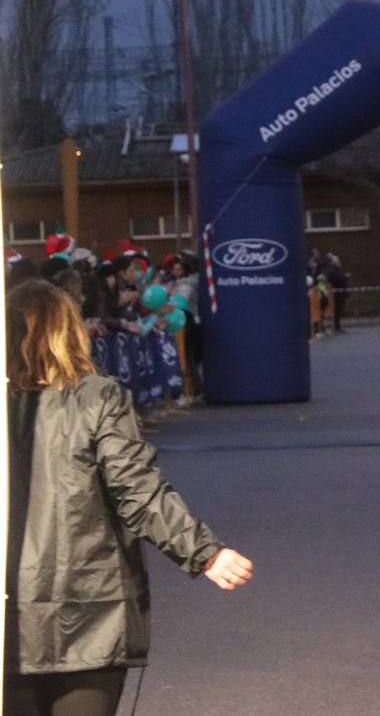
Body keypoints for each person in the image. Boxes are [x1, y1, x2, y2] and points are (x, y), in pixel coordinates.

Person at [5, 279, 253, 716]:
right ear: (70, 330)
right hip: (90, 602)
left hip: (9, 608)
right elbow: (137, 490)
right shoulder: (98, 398)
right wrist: (204, 553)